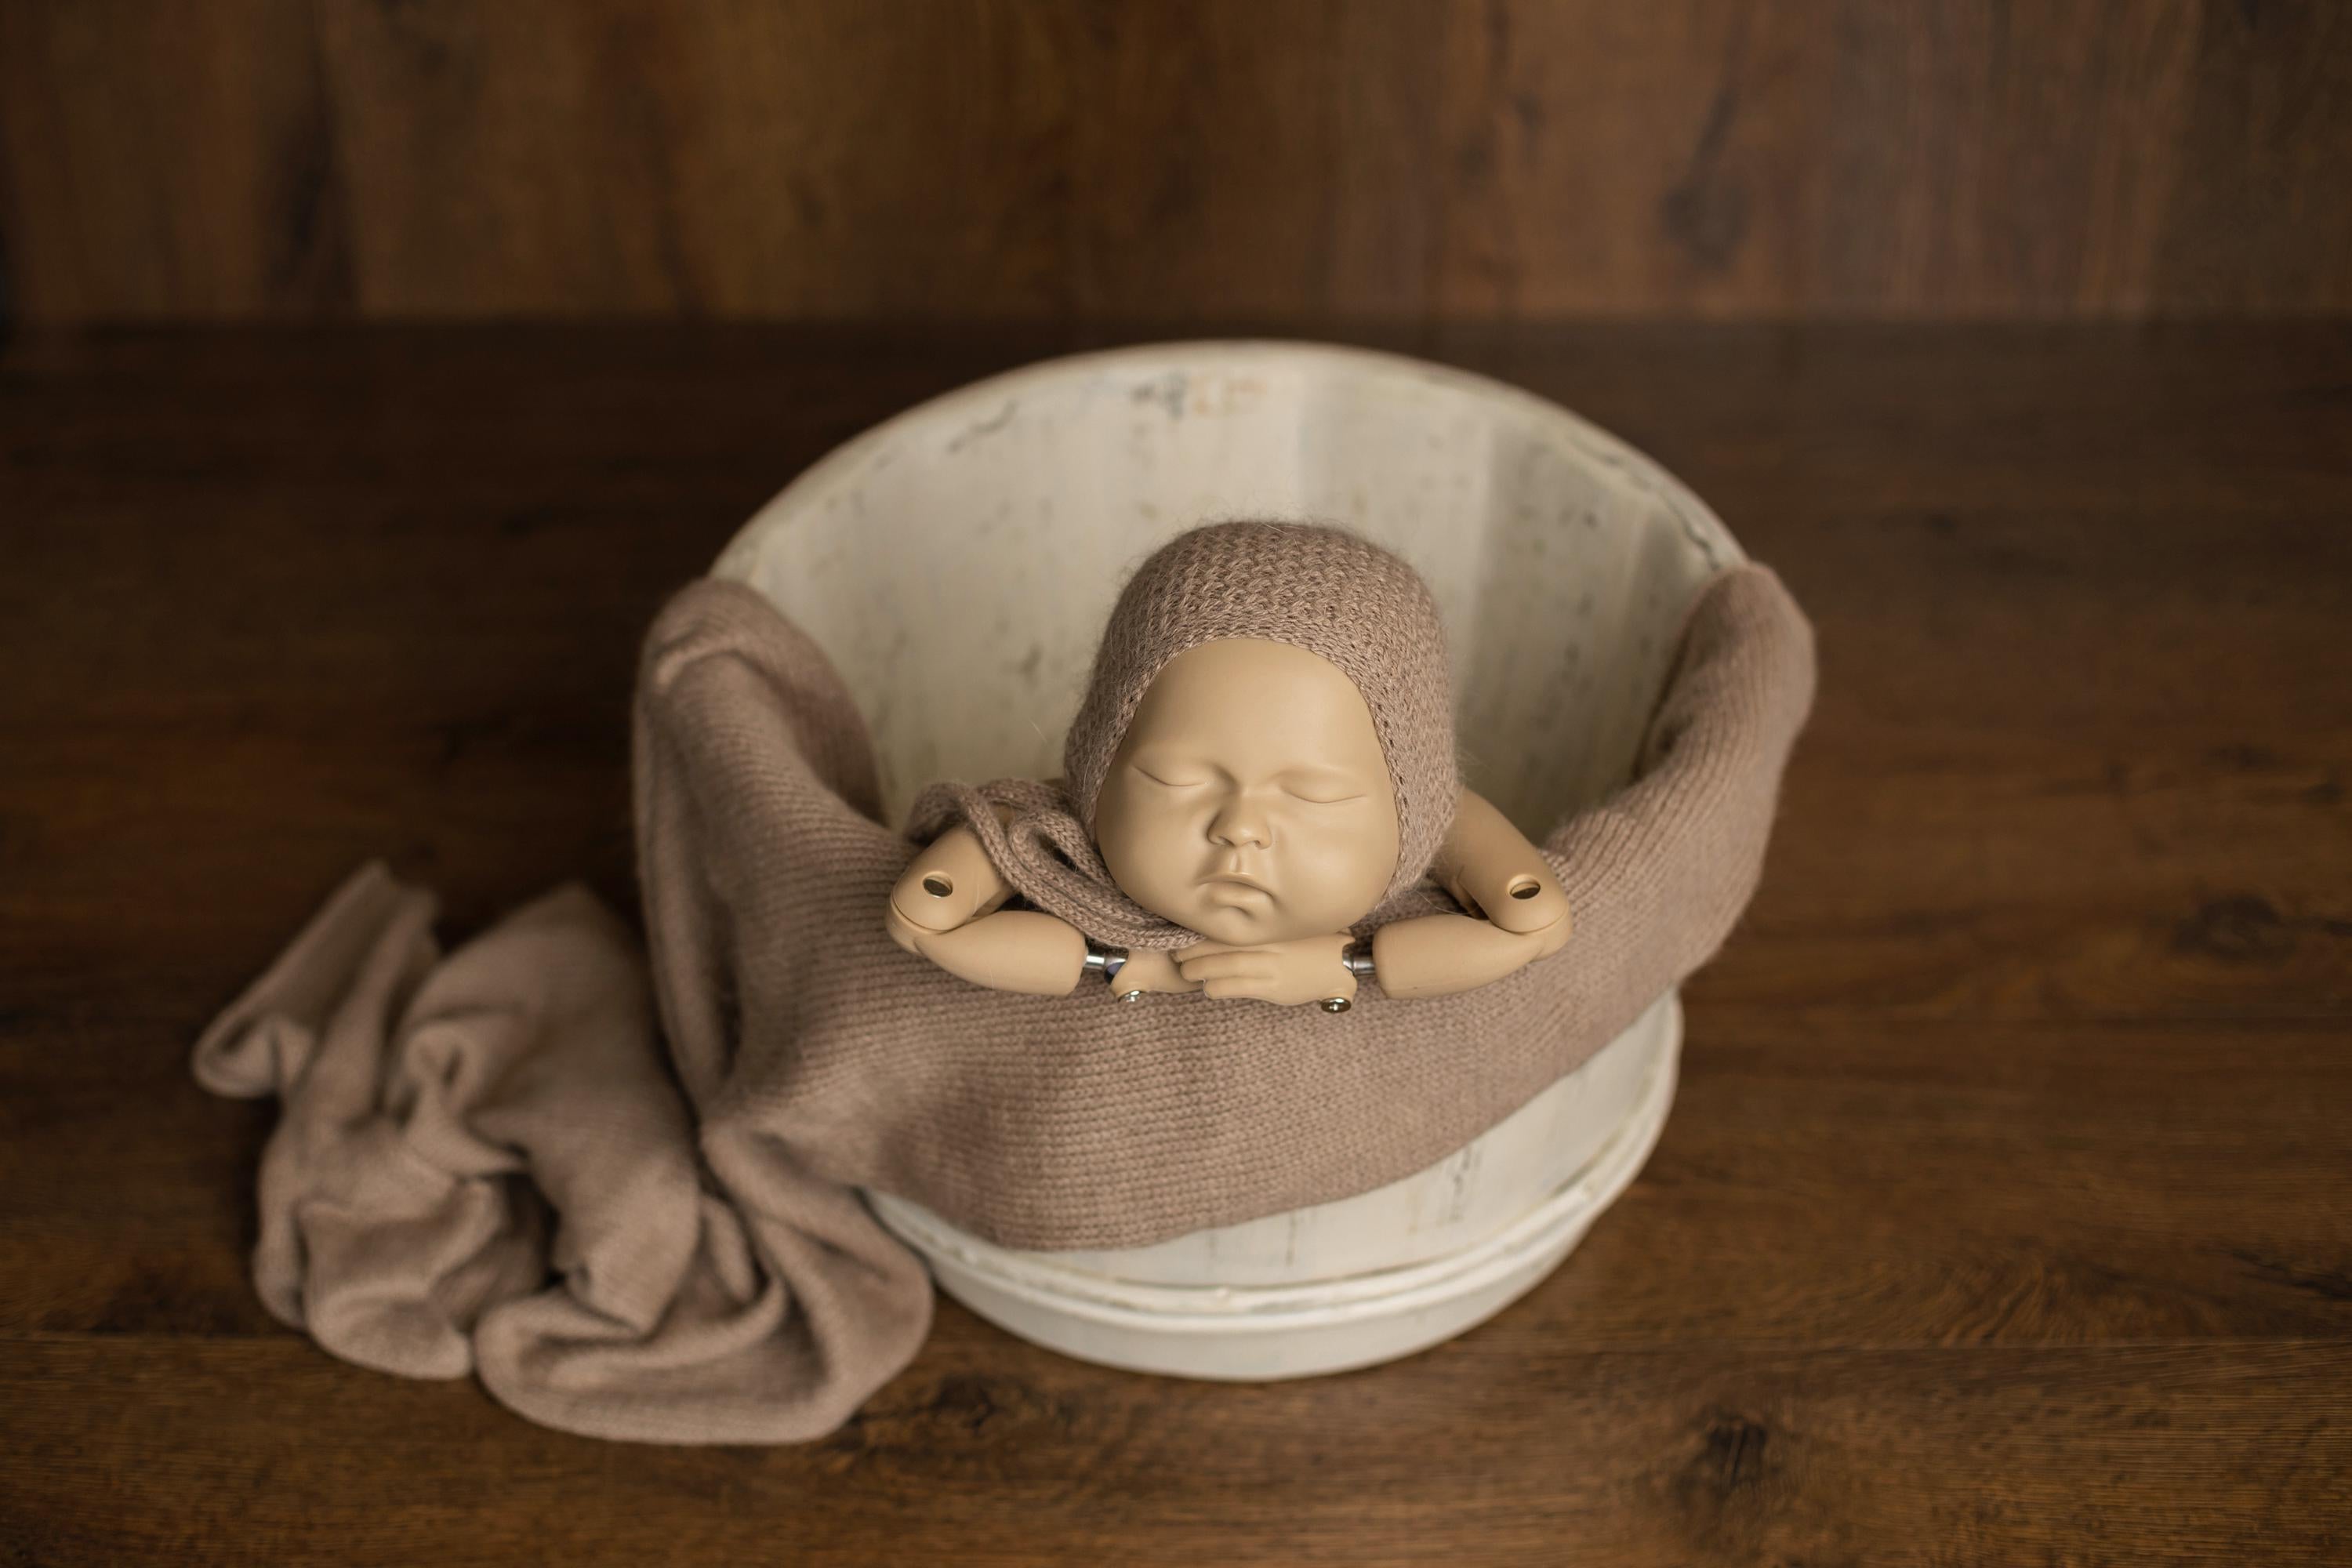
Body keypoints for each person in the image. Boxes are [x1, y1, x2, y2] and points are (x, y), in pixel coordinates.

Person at [889, 521, 1572, 1008]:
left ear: (1414, 808)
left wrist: (1344, 964)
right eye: (1176, 780)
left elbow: (1533, 921)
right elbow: (928, 917)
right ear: (1099, 773)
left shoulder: (1434, 819)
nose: (1240, 828)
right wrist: (1130, 961)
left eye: (1314, 794)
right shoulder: (1053, 833)